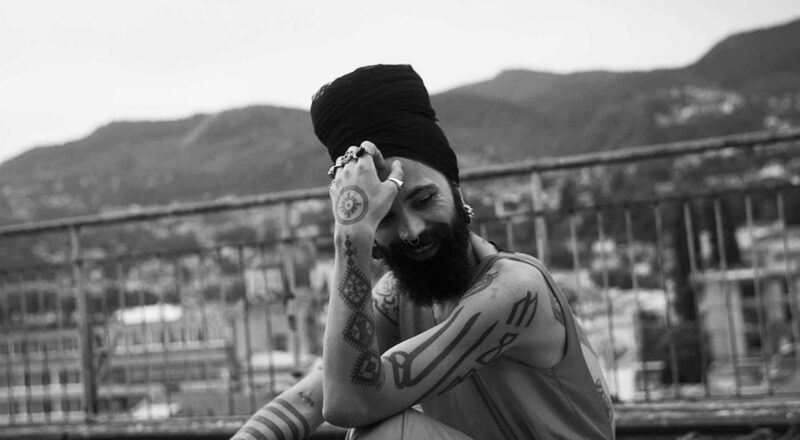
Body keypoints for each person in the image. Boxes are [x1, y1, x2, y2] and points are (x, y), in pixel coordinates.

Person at [231, 64, 614, 440]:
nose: (412, 231)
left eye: (425, 199)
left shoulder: (515, 290)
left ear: (456, 190)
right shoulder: (398, 299)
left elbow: (349, 402)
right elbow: (310, 399)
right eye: (385, 216)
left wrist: (352, 234)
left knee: (383, 433)